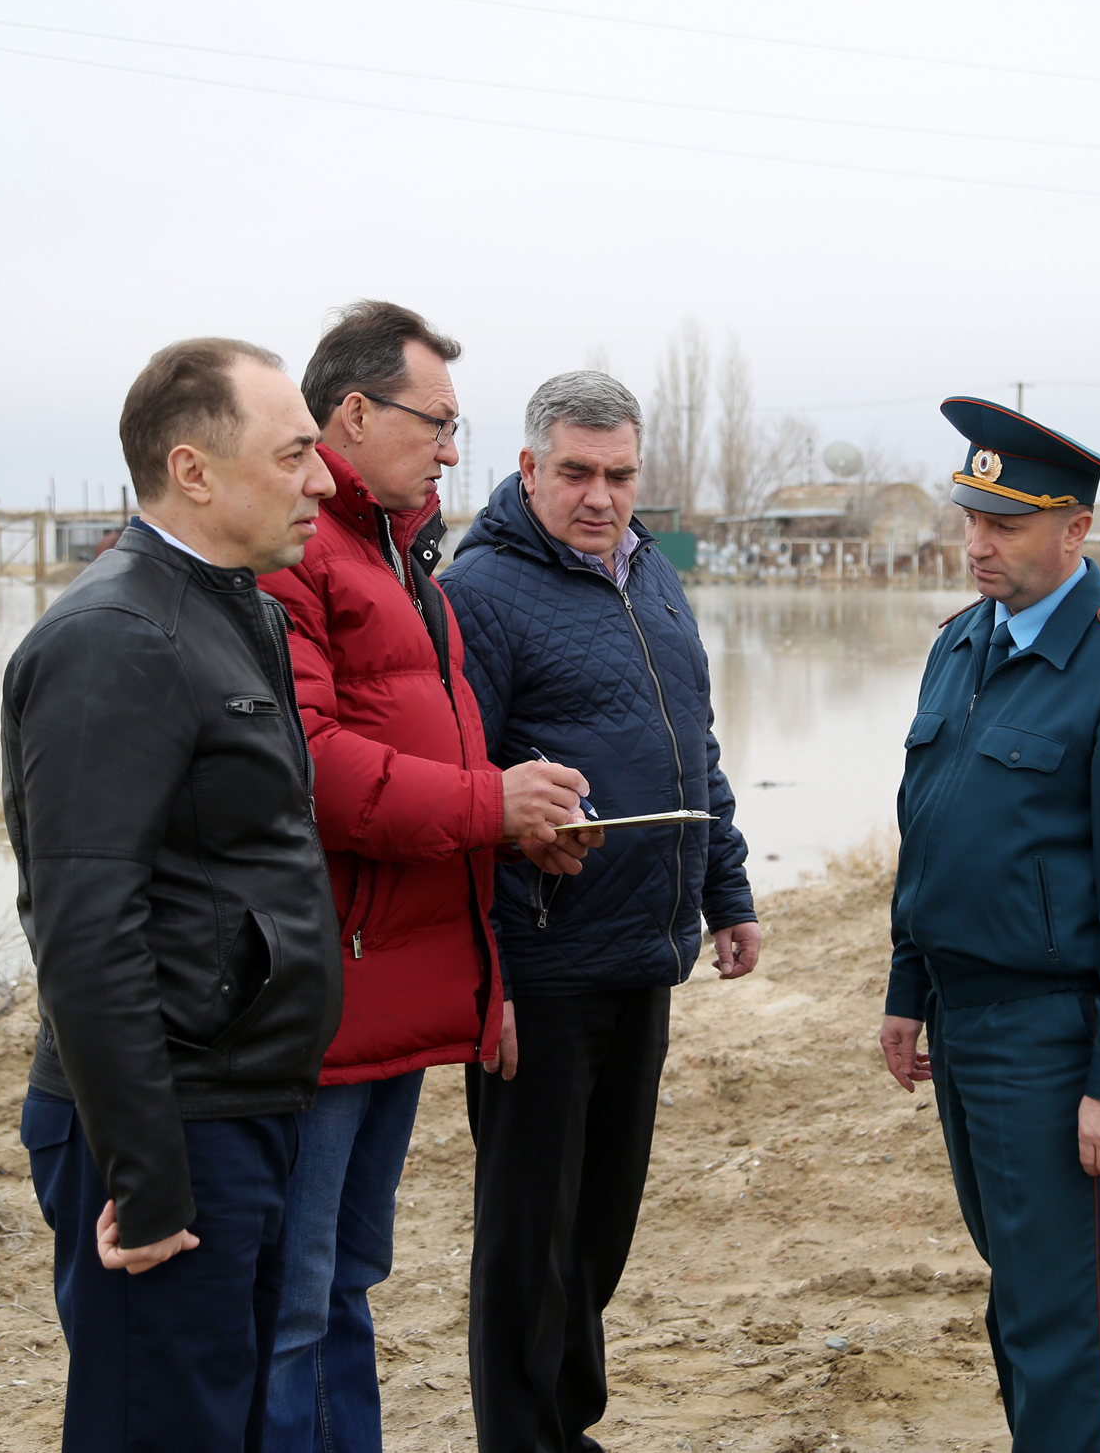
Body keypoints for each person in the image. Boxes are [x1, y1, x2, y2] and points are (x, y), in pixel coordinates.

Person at [255, 302, 600, 1451]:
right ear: (352, 414)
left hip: (394, 984)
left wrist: (509, 827)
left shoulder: (401, 559)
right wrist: (487, 805)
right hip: (324, 988)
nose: (452, 450)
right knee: (294, 1299)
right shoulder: (299, 556)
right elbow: (308, 767)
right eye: (436, 423)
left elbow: (430, 758)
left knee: (346, 1278)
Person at [1, 337, 343, 1452]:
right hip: (170, 1122)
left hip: (245, 1104)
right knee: (159, 1425)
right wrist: (145, 1178)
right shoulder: (117, 637)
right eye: (293, 454)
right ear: (192, 470)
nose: (321, 479)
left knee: (221, 1418)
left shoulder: (235, 609)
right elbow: (84, 927)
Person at [436, 370, 763, 1453]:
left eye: (619, 475)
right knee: (529, 1235)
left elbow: (695, 746)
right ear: (528, 467)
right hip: (540, 962)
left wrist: (724, 890)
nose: (600, 496)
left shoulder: (652, 575)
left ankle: (565, 1427)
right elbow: (460, 787)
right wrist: (484, 975)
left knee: (600, 1225)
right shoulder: (477, 592)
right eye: (576, 472)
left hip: (641, 952)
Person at [878, 397, 1100, 1453]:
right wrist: (907, 988)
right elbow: (929, 833)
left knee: (1064, 1317)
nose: (978, 543)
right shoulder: (960, 645)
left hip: (1052, 1038)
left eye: (1007, 525)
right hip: (963, 1020)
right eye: (972, 519)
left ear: (1076, 529)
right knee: (1016, 1294)